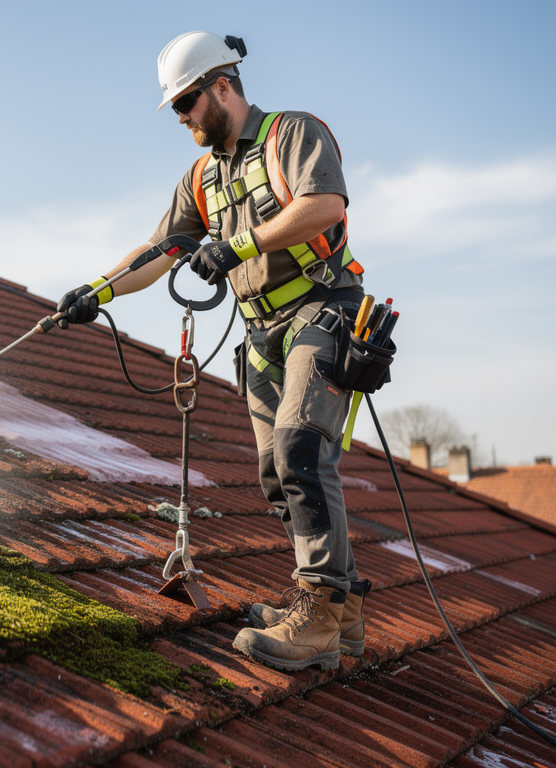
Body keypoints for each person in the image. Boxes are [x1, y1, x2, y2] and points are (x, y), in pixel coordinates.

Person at [57, 30, 372, 672]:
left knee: (301, 451)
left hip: (322, 309)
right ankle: (339, 615)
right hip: (260, 334)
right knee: (275, 473)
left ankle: (315, 615)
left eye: (187, 103)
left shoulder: (292, 134)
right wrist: (97, 291)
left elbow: (324, 205)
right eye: (174, 107)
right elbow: (158, 250)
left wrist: (240, 246)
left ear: (221, 85)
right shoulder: (200, 177)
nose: (181, 118)